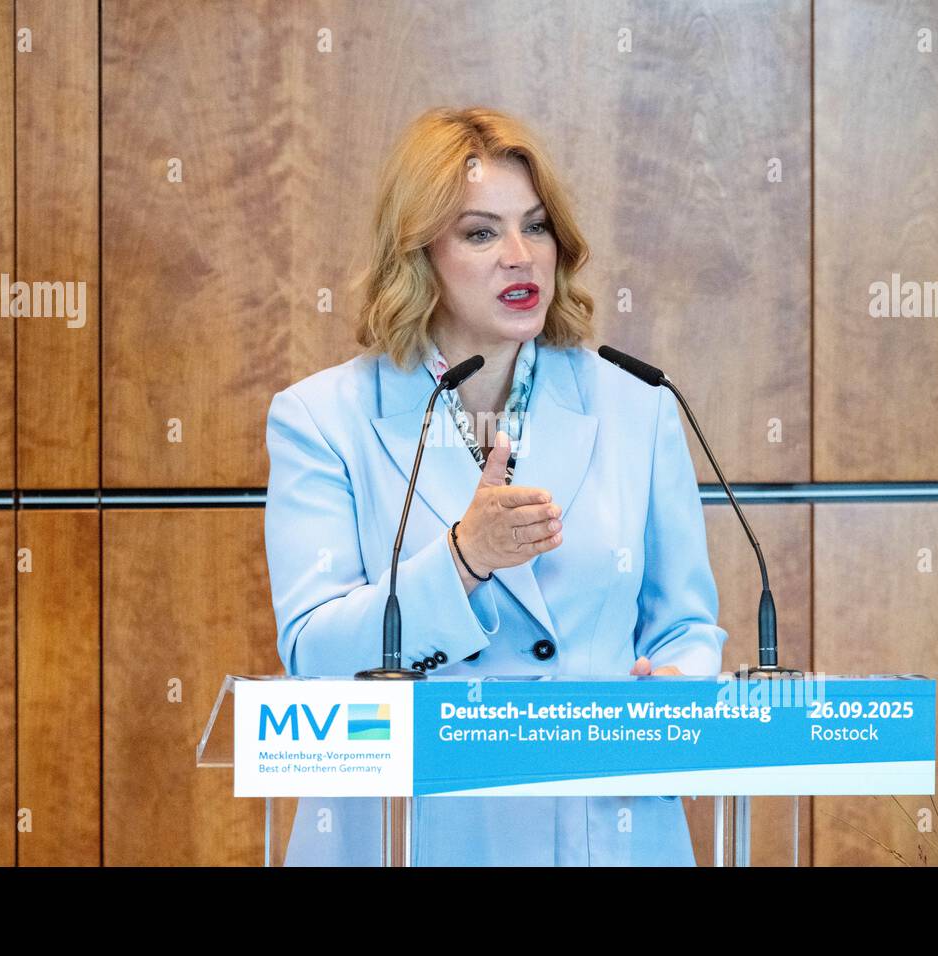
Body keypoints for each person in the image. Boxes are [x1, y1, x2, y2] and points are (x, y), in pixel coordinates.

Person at [264, 106, 728, 865]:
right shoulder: (322, 419)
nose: (521, 256)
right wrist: (461, 559)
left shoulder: (636, 406)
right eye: (481, 233)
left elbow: (685, 625)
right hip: (410, 834)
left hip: (598, 825)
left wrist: (677, 683)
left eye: (536, 227)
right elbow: (315, 657)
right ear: (419, 257)